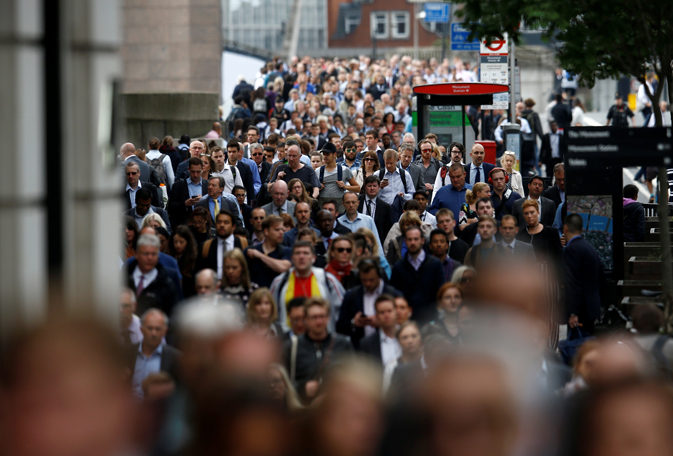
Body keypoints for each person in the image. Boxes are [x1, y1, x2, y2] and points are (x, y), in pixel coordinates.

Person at [282, 297, 352, 402]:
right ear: (306, 319)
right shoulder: (292, 346)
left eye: (322, 316)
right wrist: (302, 388)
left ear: (328, 318)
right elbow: (282, 381)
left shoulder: (342, 344)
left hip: (336, 406)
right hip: (304, 409)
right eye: (314, 317)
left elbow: (353, 378)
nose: (319, 321)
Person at [390, 226, 445, 324]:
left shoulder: (435, 264)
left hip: (430, 321)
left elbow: (440, 292)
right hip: (406, 321)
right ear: (405, 241)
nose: (413, 243)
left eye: (416, 239)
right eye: (409, 239)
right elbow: (394, 295)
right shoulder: (398, 267)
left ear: (423, 240)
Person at [564, 213, 604, 335]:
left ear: (565, 228)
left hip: (579, 312)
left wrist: (573, 313)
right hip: (591, 309)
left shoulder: (571, 250)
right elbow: (602, 279)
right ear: (581, 229)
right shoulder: (590, 248)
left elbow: (573, 283)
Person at [129, 309, 180, 398]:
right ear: (141, 329)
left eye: (158, 329)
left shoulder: (175, 358)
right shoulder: (127, 353)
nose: (153, 333)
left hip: (159, 409)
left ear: (165, 331)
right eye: (150, 328)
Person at [125, 234, 179, 317]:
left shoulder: (166, 283)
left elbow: (174, 316)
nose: (150, 258)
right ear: (137, 255)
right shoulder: (123, 277)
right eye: (146, 254)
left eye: (153, 254)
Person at [245, 215, 292, 288]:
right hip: (254, 296)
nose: (281, 232)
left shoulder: (286, 251)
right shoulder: (250, 251)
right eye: (277, 230)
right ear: (266, 231)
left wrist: (260, 255)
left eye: (282, 230)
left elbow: (283, 268)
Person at [195, 210, 244, 279]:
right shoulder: (206, 247)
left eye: (226, 222)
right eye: (219, 222)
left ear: (233, 227)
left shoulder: (244, 244)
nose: (222, 225)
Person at [358, 294, 402, 367]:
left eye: (389, 311)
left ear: (396, 312)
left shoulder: (410, 335)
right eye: (382, 312)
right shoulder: (367, 344)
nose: (386, 315)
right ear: (376, 315)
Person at [167, 157, 209, 228]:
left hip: (203, 225)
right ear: (188, 169)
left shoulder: (208, 185)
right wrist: (185, 204)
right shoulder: (179, 185)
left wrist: (203, 200)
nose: (195, 175)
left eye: (198, 172)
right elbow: (170, 207)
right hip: (185, 224)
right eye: (193, 172)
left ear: (202, 170)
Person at [317, 142, 360, 211]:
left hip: (339, 209)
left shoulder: (344, 170)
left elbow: (357, 188)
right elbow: (311, 190)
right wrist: (317, 187)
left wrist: (345, 186)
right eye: (324, 154)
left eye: (327, 154)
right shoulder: (318, 171)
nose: (325, 156)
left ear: (335, 154)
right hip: (323, 208)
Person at [382, 321, 423, 393]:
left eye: (414, 336)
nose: (410, 341)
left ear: (420, 338)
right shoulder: (392, 367)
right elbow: (387, 396)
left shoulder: (429, 362)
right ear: (398, 342)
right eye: (404, 338)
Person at [358, 175, 394, 242]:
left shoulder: (385, 207)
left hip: (376, 241)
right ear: (365, 187)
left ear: (379, 187)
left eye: (375, 186)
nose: (372, 188)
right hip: (358, 238)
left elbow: (388, 229)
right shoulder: (357, 201)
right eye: (369, 186)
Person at [167, 225, 198, 298]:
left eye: (181, 242)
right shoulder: (169, 256)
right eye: (175, 242)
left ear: (188, 242)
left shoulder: (194, 259)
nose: (178, 245)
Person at [226, 140, 260, 205]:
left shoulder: (245, 168)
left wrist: (251, 208)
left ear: (239, 152)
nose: (231, 154)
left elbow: (250, 190)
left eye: (234, 152)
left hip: (242, 203)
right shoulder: (222, 167)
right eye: (229, 152)